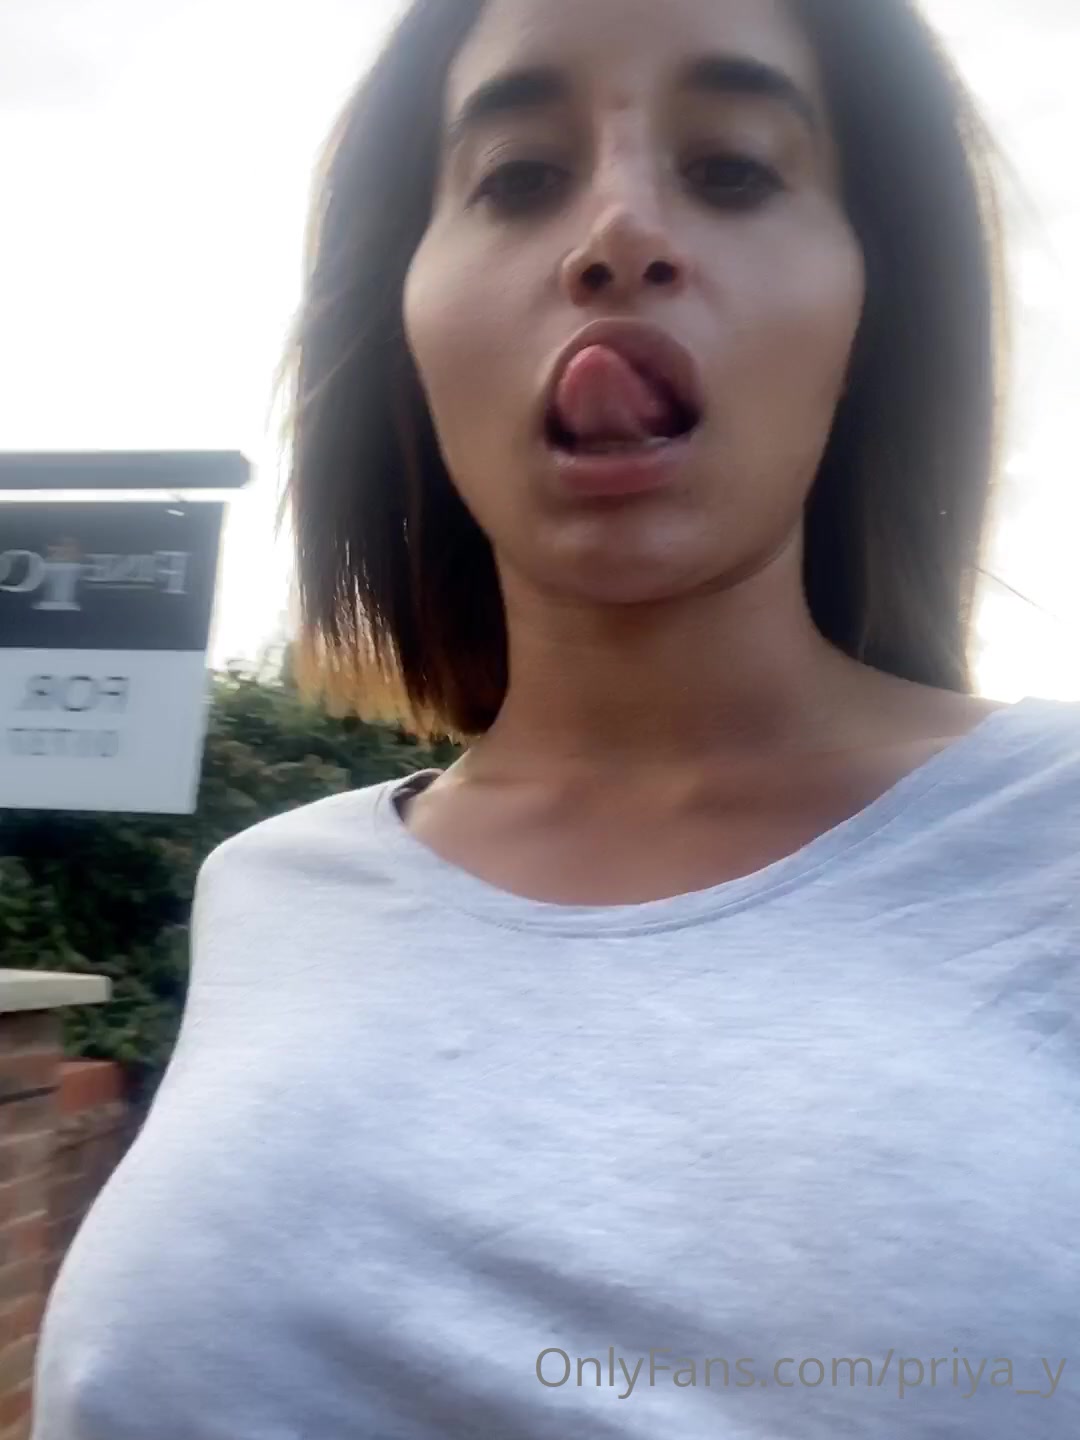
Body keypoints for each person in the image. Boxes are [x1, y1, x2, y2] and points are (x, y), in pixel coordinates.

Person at [31, 0, 1079, 1436]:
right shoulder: (266, 895)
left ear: (870, 298)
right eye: (519, 177)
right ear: (406, 315)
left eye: (733, 167)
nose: (618, 232)